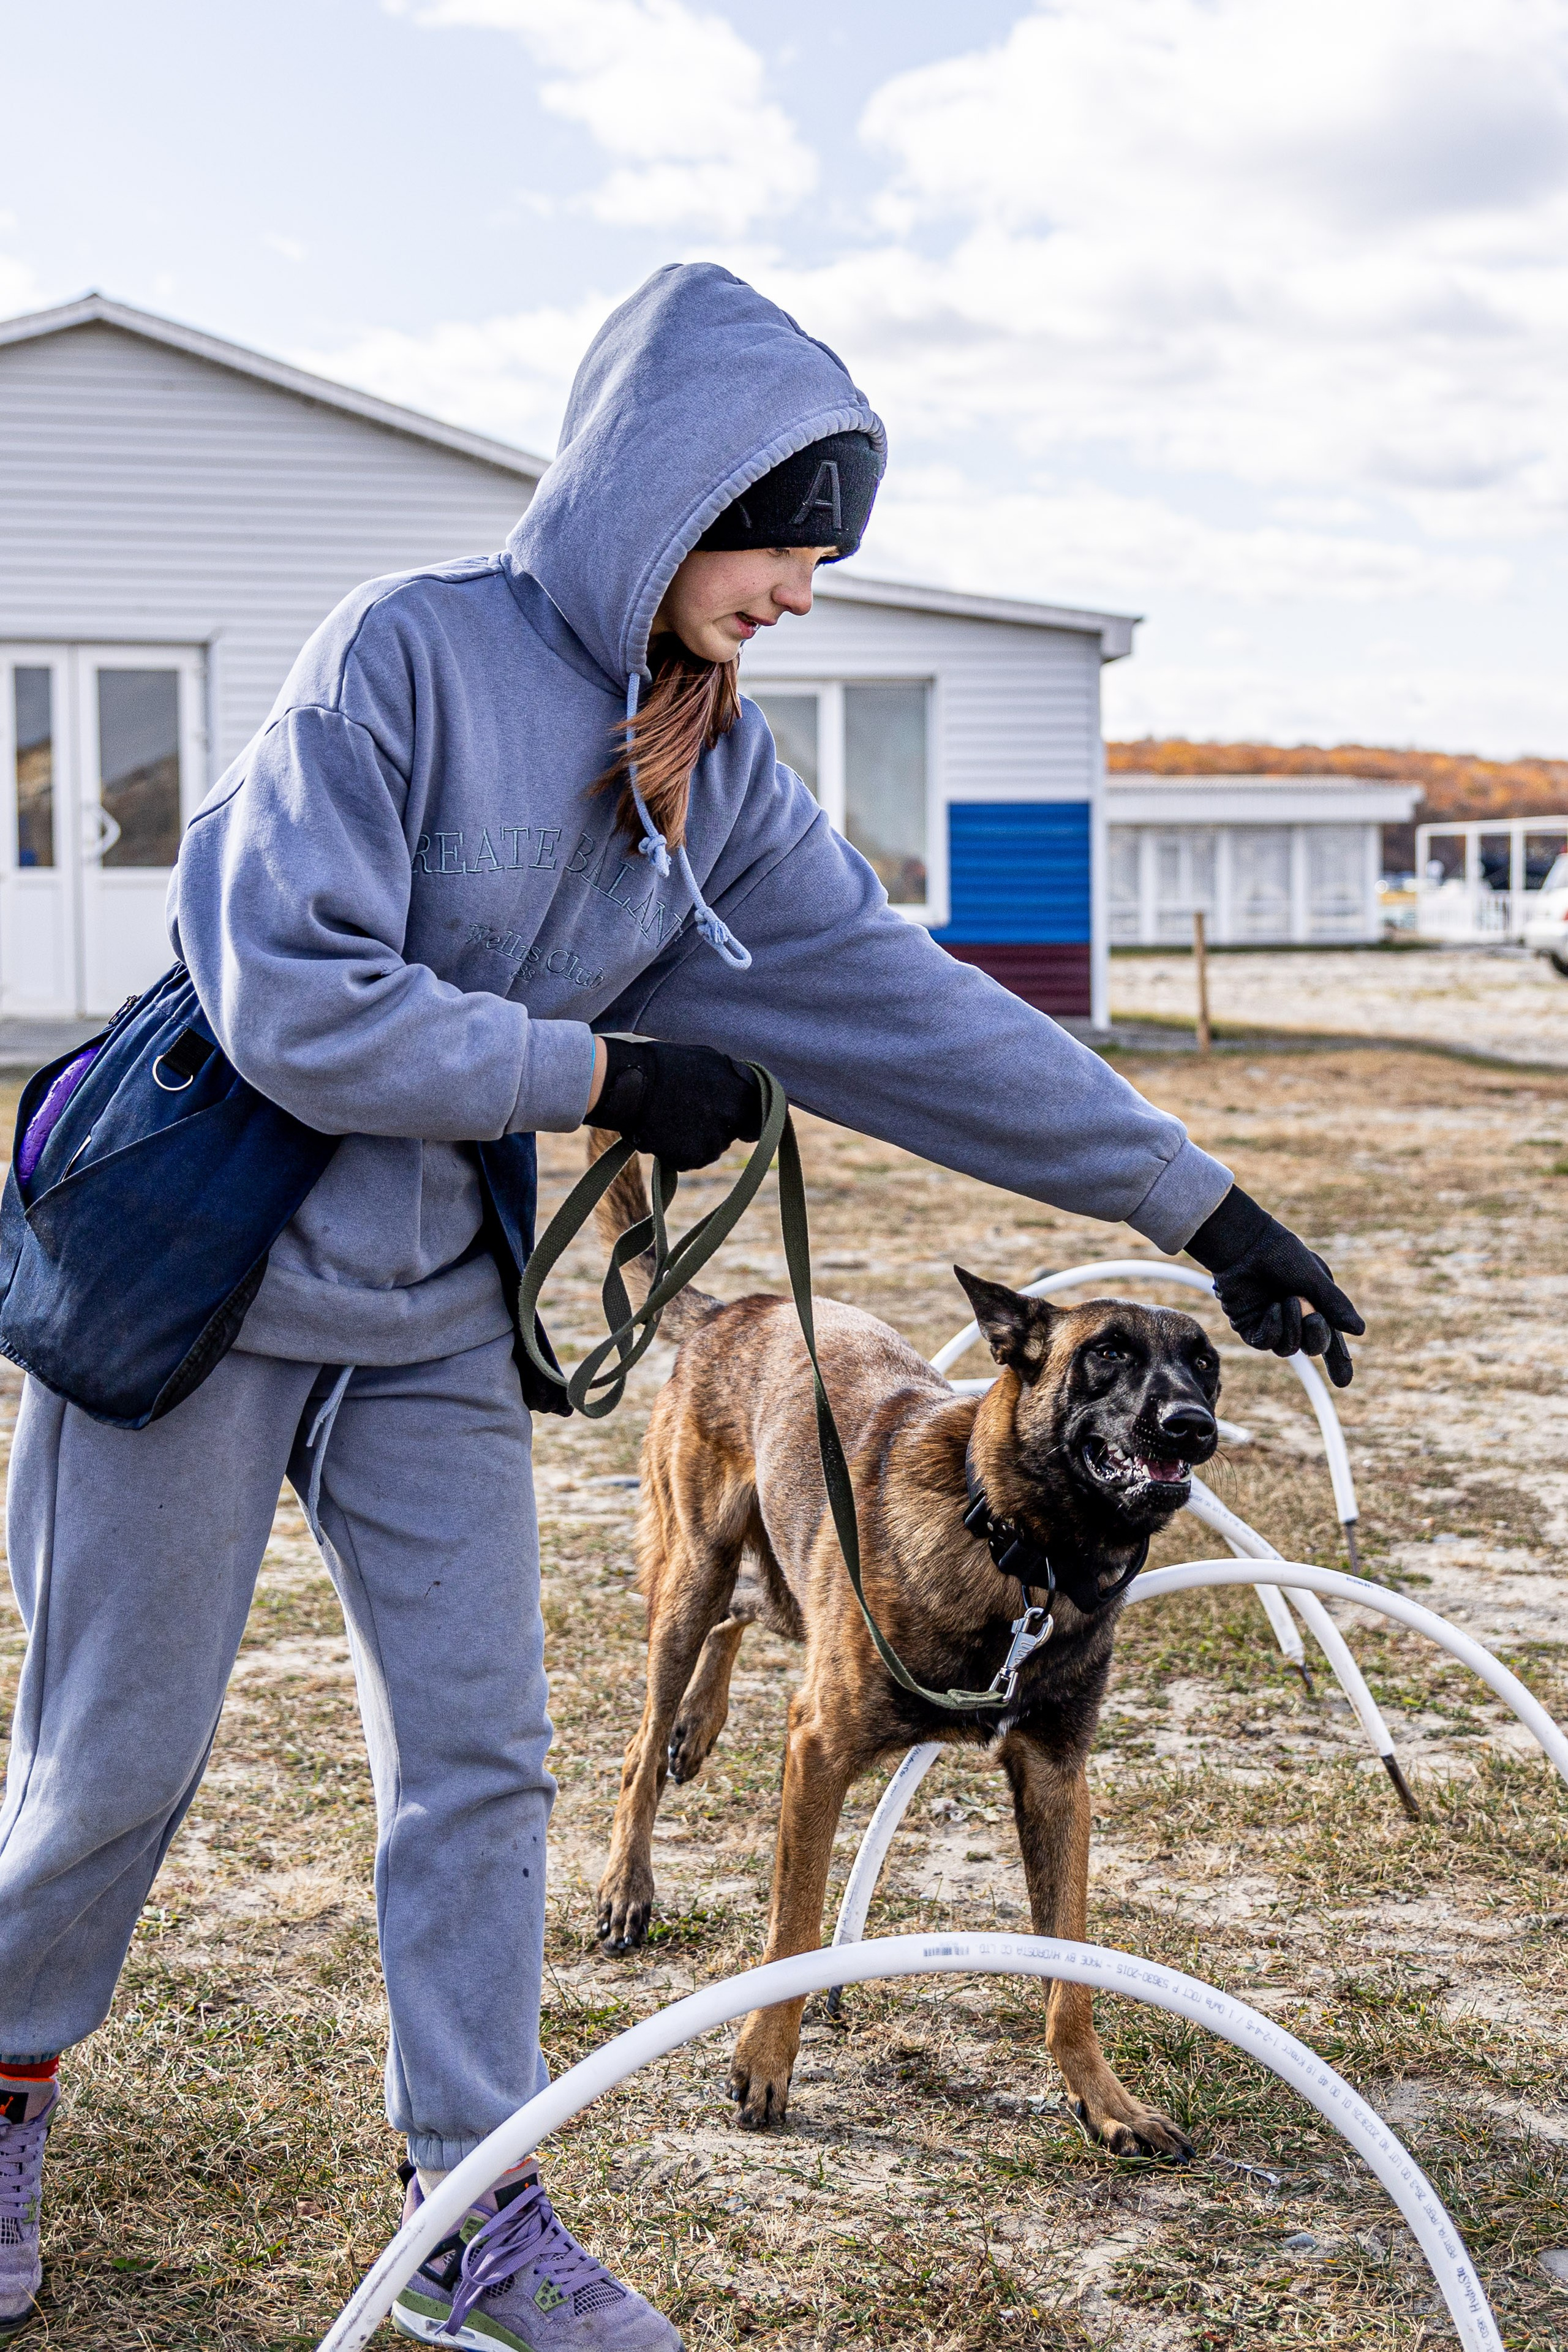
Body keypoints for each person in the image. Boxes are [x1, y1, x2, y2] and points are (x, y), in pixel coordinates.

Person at [0, 263, 1362, 2348]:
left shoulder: (708, 776)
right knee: (114, 1762)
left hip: (427, 1310)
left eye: (826, 553)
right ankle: (5, 2090)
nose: (807, 592)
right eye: (785, 537)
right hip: (195, 1272)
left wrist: (1206, 1203)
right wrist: (605, 1074)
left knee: (486, 1757)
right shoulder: (404, 656)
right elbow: (291, 999)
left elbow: (913, 1013)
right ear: (661, 492)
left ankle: (468, 2209)